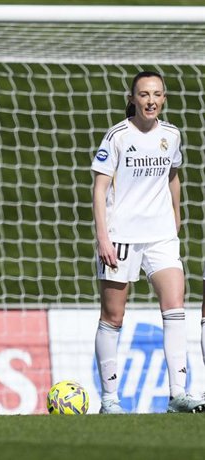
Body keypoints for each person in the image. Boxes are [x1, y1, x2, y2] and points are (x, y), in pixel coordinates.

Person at [91, 70, 204, 414]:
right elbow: (99, 188)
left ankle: (178, 394)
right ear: (132, 98)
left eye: (156, 94)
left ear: (164, 99)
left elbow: (173, 175)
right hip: (121, 236)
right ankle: (110, 400)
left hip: (161, 236)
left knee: (175, 308)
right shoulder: (118, 136)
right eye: (143, 94)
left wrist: (176, 213)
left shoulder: (172, 134)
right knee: (113, 315)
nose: (150, 100)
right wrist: (103, 237)